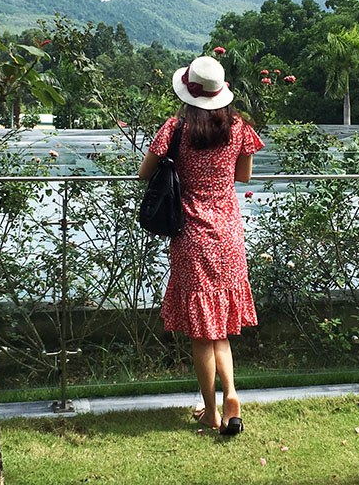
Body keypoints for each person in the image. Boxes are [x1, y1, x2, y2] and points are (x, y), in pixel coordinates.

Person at [138, 55, 263, 436]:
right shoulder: (239, 127)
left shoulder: (175, 128)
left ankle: (211, 411)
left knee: (201, 332)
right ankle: (232, 395)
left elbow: (145, 173)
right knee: (219, 328)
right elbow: (242, 176)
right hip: (228, 232)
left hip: (190, 234)